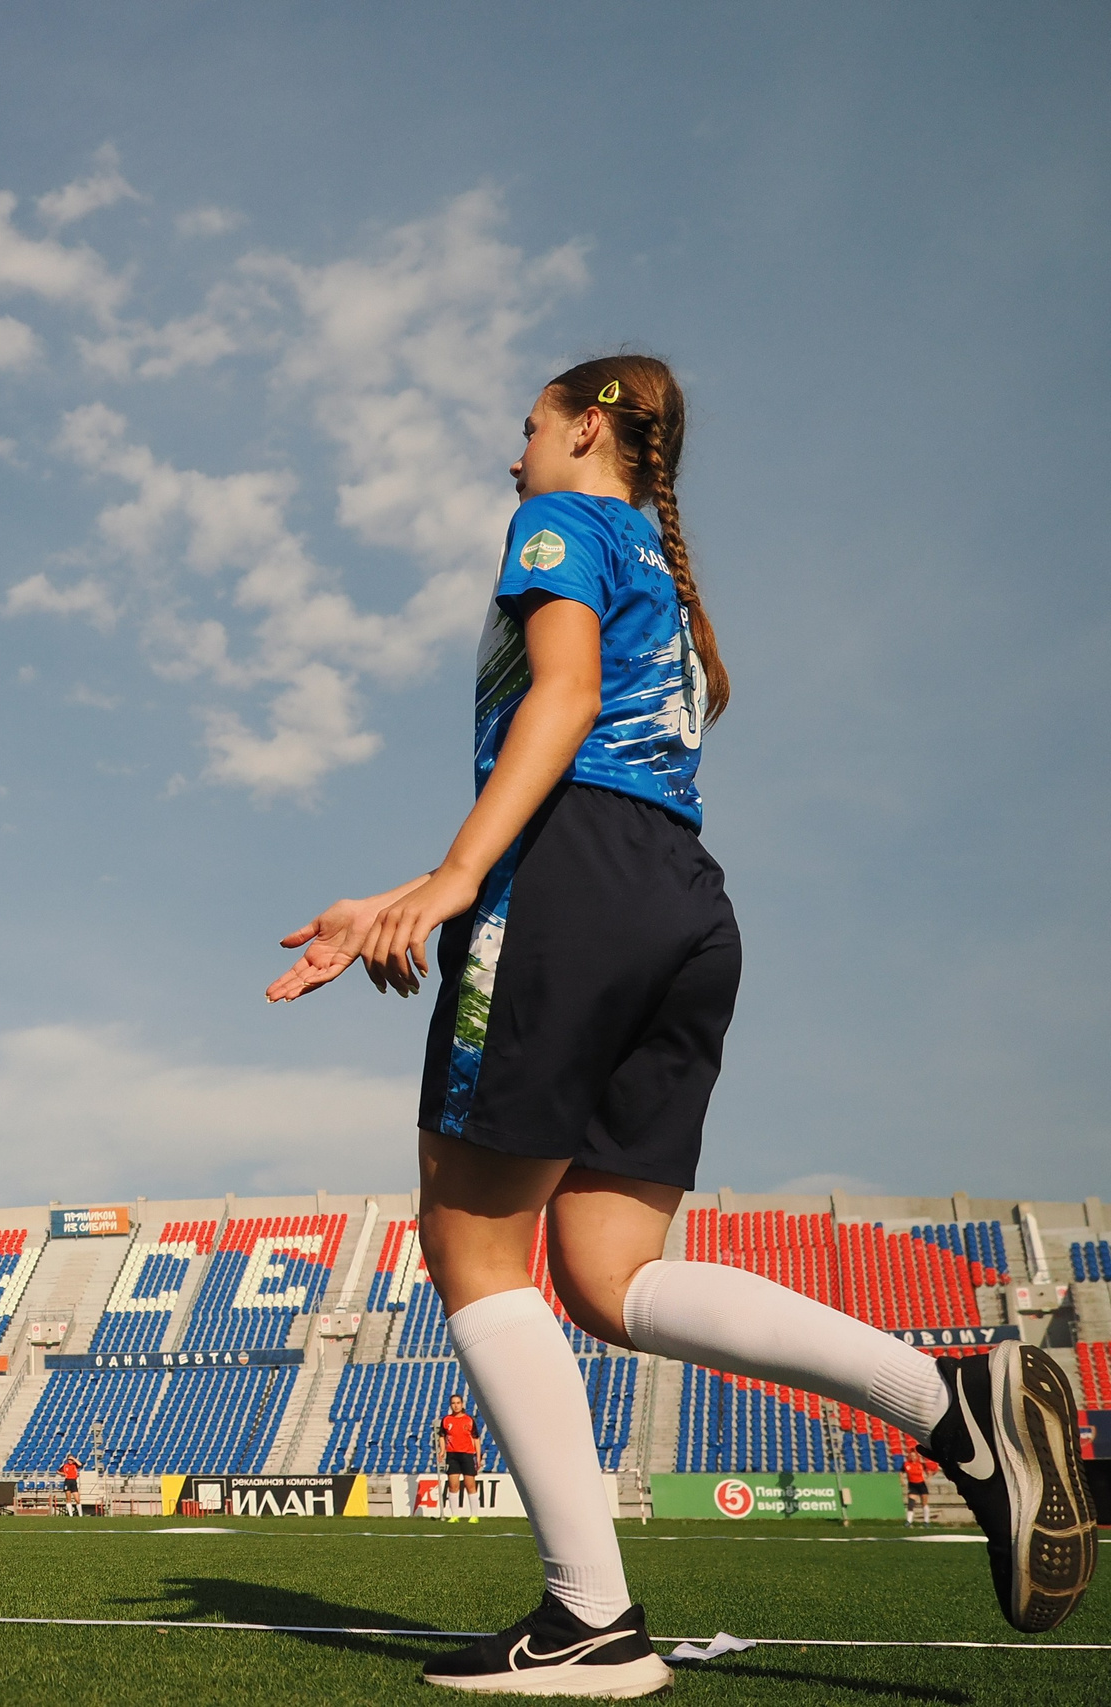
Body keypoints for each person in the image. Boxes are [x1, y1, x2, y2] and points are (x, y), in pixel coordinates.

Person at [270, 355, 1094, 1690]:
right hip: (684, 905)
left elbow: (566, 701)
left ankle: (589, 1617)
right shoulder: (667, 577)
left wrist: (455, 875)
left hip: (572, 878)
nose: (514, 447)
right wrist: (431, 883)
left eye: (530, 423)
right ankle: (956, 1403)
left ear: (588, 424)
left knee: (475, 1248)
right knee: (604, 1273)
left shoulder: (561, 522)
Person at [433, 1395, 481, 1522]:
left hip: (467, 1455)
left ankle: (474, 1515)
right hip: (452, 1455)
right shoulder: (446, 1420)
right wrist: (442, 1450)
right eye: (453, 1403)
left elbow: (476, 1439)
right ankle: (454, 1515)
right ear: (450, 1405)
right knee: (453, 1485)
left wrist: (478, 1456)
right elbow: (442, 1436)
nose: (456, 1405)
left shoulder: (469, 1420)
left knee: (470, 1484)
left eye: (458, 1403)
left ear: (462, 1404)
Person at [907, 1445, 933, 1527]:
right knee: (911, 1503)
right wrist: (901, 1479)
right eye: (911, 1456)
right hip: (912, 1485)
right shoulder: (906, 1464)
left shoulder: (921, 1464)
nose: (913, 1457)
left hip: (921, 1484)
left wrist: (929, 1478)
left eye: (914, 1456)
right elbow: (901, 1472)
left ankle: (926, 1522)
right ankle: (909, 1521)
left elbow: (930, 1471)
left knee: (924, 1503)